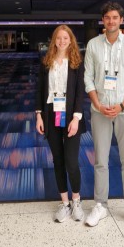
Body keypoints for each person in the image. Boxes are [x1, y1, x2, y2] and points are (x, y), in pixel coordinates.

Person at [84, 1, 124, 233]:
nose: (111, 21)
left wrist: (121, 105)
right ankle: (100, 205)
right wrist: (97, 104)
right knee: (100, 160)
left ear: (121, 20)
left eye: (115, 17)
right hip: (99, 110)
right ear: (103, 20)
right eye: (107, 17)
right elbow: (88, 78)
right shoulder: (93, 45)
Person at [36, 25, 86, 222]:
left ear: (71, 40)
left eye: (66, 38)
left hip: (71, 115)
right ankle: (64, 203)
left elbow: (81, 93)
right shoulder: (46, 62)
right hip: (50, 113)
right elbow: (39, 90)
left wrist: (76, 118)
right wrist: (39, 115)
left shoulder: (76, 62)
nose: (62, 41)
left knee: (71, 162)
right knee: (57, 160)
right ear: (54, 40)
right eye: (59, 38)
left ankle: (76, 200)